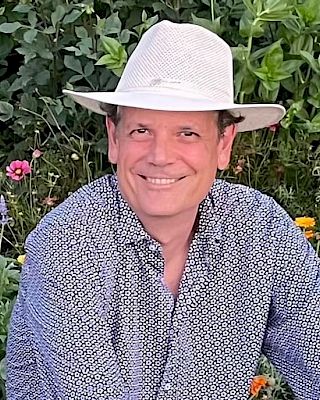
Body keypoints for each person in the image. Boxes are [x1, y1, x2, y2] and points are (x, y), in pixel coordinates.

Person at [6, 20, 320, 400]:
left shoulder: (261, 229)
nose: (160, 157)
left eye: (187, 133)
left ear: (224, 145)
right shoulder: (68, 246)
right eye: (141, 131)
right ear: (114, 138)